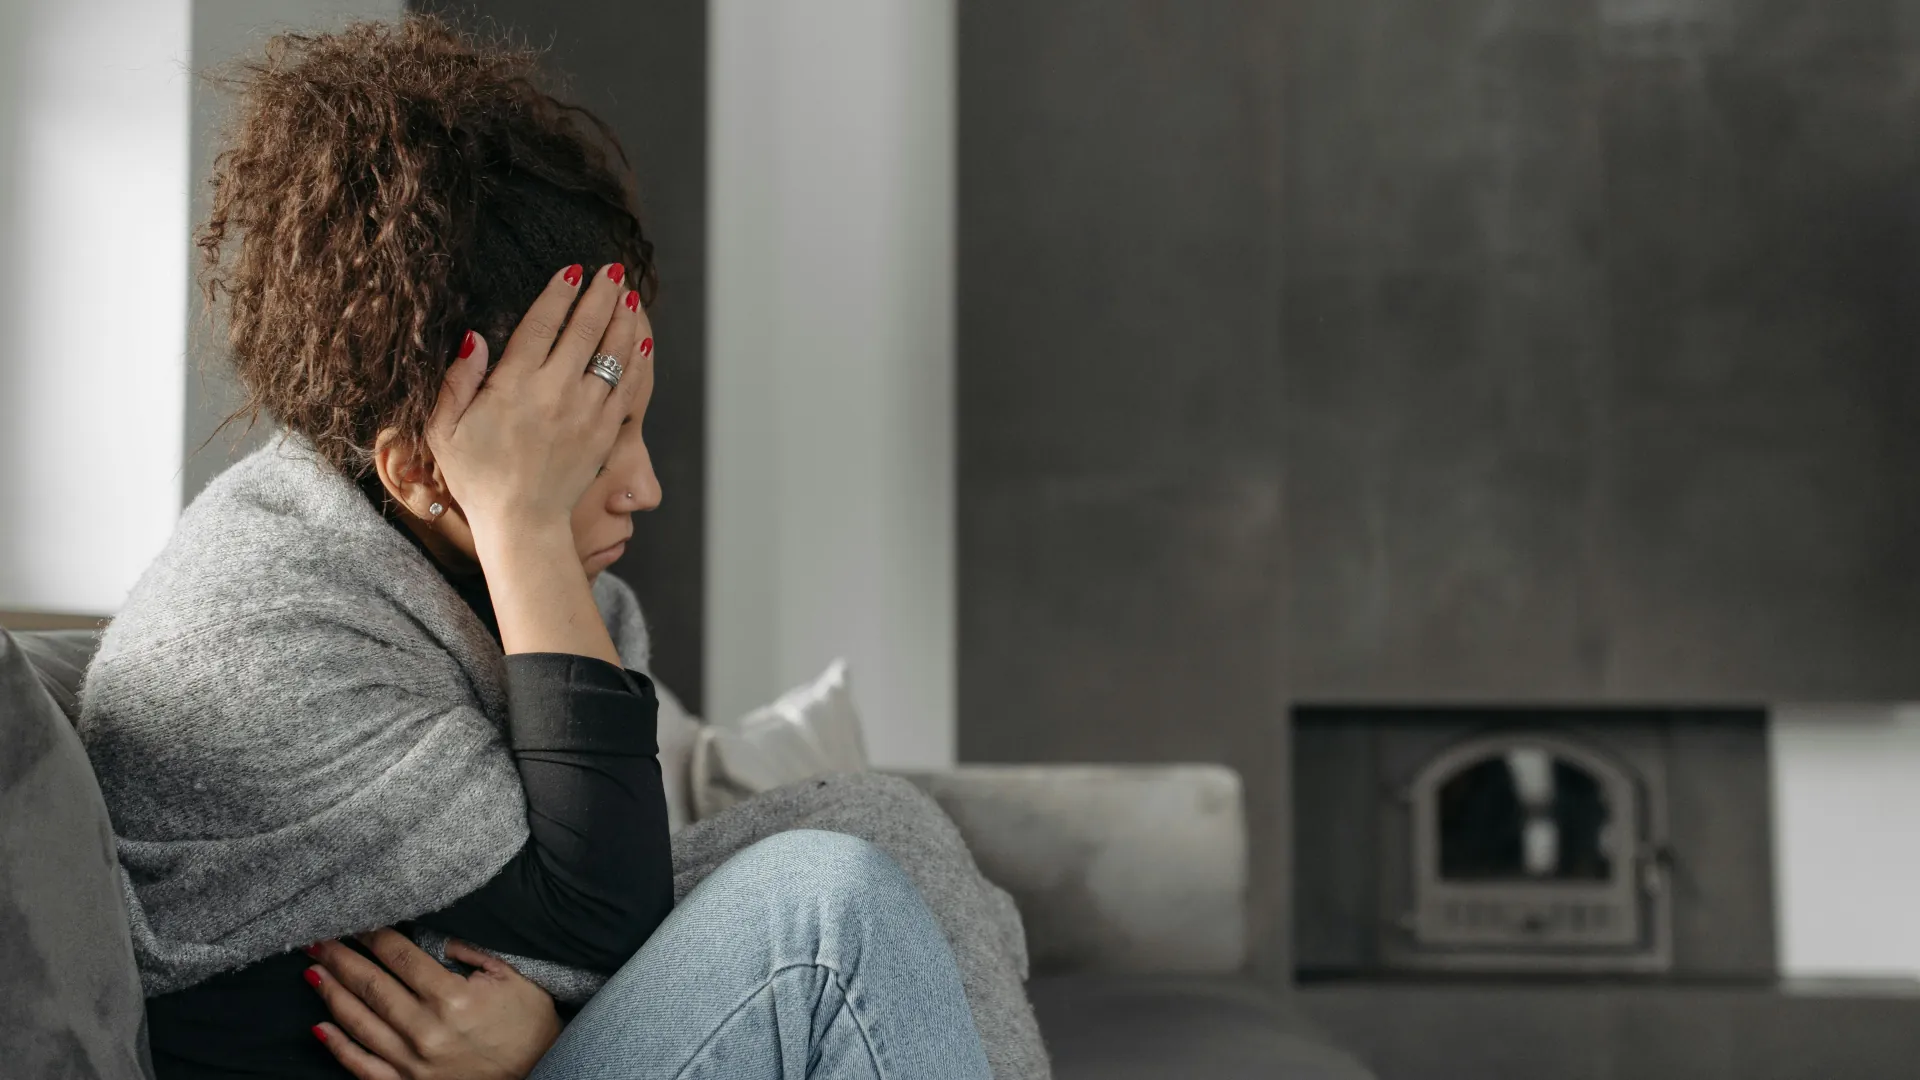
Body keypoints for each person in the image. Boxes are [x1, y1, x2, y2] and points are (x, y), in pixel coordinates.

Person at [76, 16, 1044, 1080]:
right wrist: (528, 522)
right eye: (594, 445)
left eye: (636, 424)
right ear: (420, 467)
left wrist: (544, 1032)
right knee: (829, 911)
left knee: (883, 824)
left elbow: (599, 925)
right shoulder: (253, 625)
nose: (646, 487)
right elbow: (602, 919)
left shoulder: (470, 577)